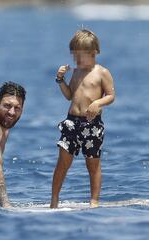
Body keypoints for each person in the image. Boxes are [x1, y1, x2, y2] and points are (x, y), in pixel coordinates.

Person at [50, 29, 115, 208]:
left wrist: (98, 103)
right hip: (71, 122)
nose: (76, 60)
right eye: (74, 55)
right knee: (62, 163)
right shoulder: (76, 72)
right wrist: (60, 79)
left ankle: (94, 200)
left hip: (92, 125)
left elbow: (111, 95)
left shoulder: (102, 72)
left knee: (92, 165)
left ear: (94, 53)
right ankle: (54, 200)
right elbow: (69, 95)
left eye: (81, 55)